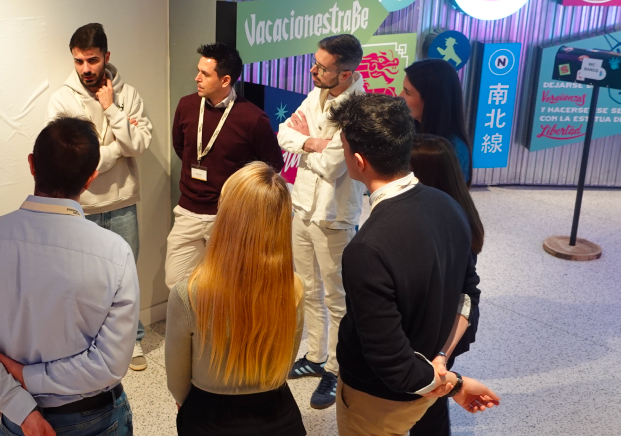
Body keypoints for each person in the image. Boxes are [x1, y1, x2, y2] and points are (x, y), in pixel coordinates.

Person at [0, 117, 139, 436]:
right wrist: (29, 377)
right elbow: (111, 363)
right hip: (94, 418)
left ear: (32, 165)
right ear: (90, 179)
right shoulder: (114, 252)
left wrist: (21, 406)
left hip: (17, 420)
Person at [328, 93, 499, 436]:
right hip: (433, 374)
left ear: (358, 161)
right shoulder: (449, 205)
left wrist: (451, 384)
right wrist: (442, 360)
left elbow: (390, 361)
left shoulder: (366, 249)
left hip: (379, 399)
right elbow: (468, 297)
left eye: (343, 146)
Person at [165, 162, 306, 436]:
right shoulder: (294, 288)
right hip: (278, 417)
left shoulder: (187, 294)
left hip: (209, 418)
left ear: (226, 217)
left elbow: (177, 383)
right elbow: (285, 364)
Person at [46, 23, 152, 371]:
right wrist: (116, 151)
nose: (86, 69)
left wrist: (111, 109)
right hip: (81, 207)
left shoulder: (127, 95)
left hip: (122, 203)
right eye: (79, 61)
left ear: (106, 56)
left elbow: (139, 145)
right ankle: (90, 342)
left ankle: (131, 340)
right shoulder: (61, 100)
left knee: (125, 278)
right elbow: (70, 157)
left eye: (92, 60)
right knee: (84, 281)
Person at [276, 34, 366, 410]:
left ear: (345, 74)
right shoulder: (317, 94)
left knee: (337, 297)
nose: (313, 70)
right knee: (308, 289)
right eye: (315, 62)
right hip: (302, 207)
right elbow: (283, 133)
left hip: (334, 215)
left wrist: (306, 142)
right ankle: (315, 356)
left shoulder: (358, 109)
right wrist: (314, 142)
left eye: (322, 67)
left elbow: (333, 166)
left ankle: (336, 368)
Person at [165, 43, 285, 289]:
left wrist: (241, 197)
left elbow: (273, 166)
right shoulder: (186, 106)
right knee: (176, 284)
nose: (197, 78)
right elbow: (181, 148)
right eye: (198, 71)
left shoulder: (253, 118)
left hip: (229, 215)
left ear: (225, 80)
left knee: (227, 287)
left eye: (205, 73)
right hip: (187, 211)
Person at [409, 134, 486, 436]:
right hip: (450, 325)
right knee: (433, 398)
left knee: (430, 401)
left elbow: (464, 293)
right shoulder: (460, 209)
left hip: (441, 326)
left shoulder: (443, 224)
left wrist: (440, 353)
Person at [402, 59, 473, 184]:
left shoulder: (453, 151)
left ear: (431, 100)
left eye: (407, 92)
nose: (400, 96)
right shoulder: (408, 130)